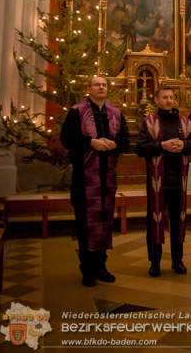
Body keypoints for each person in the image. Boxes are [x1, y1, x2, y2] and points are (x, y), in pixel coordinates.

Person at [60, 76, 130, 286]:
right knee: (85, 223)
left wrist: (114, 144)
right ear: (88, 88)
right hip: (84, 178)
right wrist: (91, 142)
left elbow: (126, 141)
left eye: (104, 84)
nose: (101, 87)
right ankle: (87, 270)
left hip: (107, 177)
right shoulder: (77, 111)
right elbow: (66, 138)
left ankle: (101, 266)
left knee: (105, 222)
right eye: (97, 84)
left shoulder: (116, 113)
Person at [135, 87, 191, 277]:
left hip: (179, 181)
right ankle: (154, 262)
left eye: (172, 97)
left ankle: (177, 260)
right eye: (165, 97)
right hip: (157, 182)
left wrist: (184, 145)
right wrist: (161, 146)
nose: (169, 101)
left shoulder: (185, 123)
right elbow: (139, 148)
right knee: (154, 220)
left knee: (178, 221)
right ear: (157, 100)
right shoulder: (149, 123)